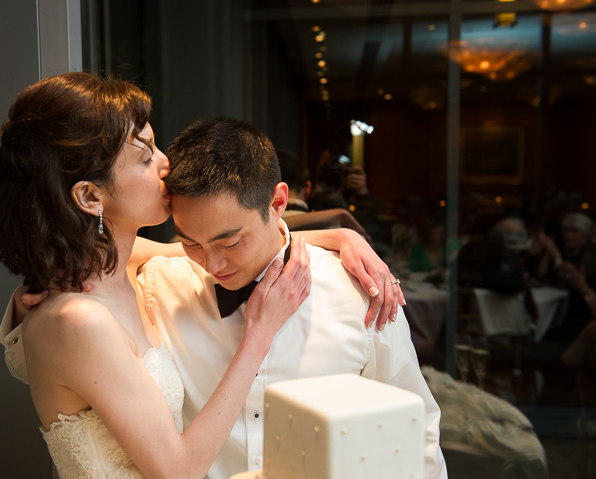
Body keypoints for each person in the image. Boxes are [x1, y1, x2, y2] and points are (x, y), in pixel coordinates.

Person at [0, 73, 406, 478]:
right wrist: (260, 332)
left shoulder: (118, 265)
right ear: (89, 195)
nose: (164, 163)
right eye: (145, 155)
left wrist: (337, 236)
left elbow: (209, 242)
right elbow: (177, 472)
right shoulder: (79, 315)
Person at [151, 118, 446, 479]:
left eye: (229, 242)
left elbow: (417, 429)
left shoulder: (359, 291)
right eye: (191, 243)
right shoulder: (157, 288)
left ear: (278, 202)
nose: (212, 264)